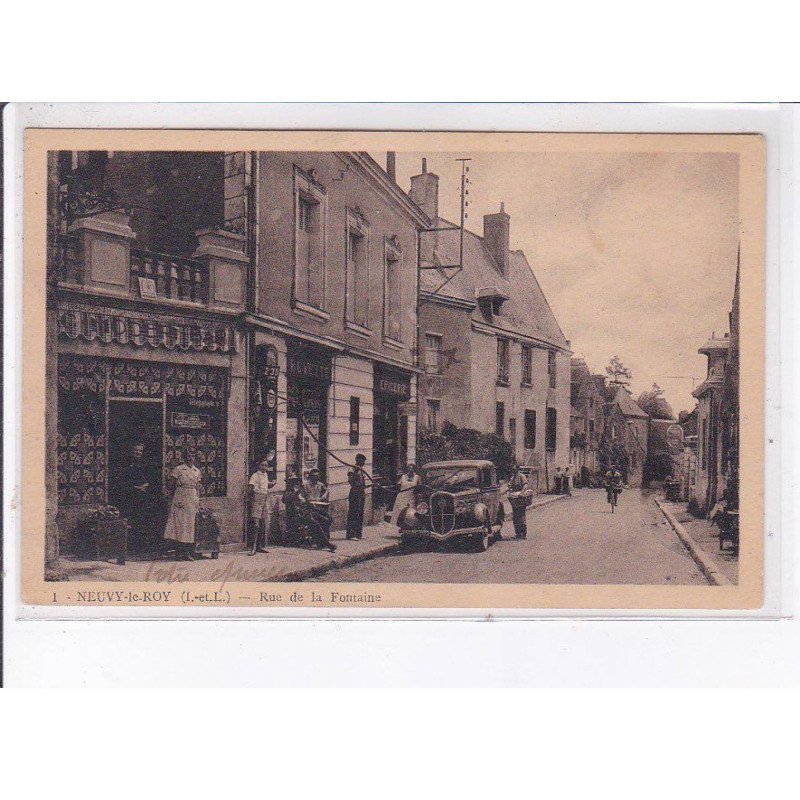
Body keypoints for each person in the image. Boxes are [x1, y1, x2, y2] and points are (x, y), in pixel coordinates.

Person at [164, 449, 202, 560]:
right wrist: (172, 497)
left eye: (193, 456)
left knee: (190, 526)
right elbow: (170, 484)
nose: (191, 458)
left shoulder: (196, 471)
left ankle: (188, 552)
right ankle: (179, 553)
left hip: (192, 498)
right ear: (184, 458)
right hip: (181, 497)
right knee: (180, 525)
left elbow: (197, 487)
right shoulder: (179, 469)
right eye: (189, 456)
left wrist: (198, 501)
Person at [118, 442, 157, 551]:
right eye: (135, 451)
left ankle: (141, 547)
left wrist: (147, 484)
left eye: (140, 451)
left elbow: (151, 478)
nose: (137, 453)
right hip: (130, 496)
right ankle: (129, 547)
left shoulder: (145, 464)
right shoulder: (126, 464)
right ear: (131, 451)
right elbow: (123, 480)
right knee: (130, 519)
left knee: (142, 520)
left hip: (143, 496)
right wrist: (134, 487)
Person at [248, 451, 276, 555]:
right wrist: (252, 500)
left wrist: (271, 484)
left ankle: (259, 546)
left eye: (266, 465)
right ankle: (253, 547)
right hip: (257, 499)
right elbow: (250, 488)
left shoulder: (265, 475)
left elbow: (265, 486)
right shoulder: (255, 475)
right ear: (259, 466)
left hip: (265, 499)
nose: (264, 467)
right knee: (256, 525)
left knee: (263, 524)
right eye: (262, 465)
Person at [304, 468, 336, 552]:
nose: (316, 478)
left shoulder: (320, 484)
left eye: (317, 476)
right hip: (310, 508)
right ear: (310, 477)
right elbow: (305, 498)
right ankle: (321, 541)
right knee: (320, 520)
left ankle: (325, 539)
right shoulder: (306, 485)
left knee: (329, 518)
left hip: (318, 507)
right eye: (314, 476)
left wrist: (324, 496)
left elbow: (327, 489)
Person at [346, 453, 368, 540]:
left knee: (360, 513)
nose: (363, 463)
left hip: (361, 493)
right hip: (355, 492)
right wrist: (356, 470)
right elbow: (350, 480)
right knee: (353, 513)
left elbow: (363, 483)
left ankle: (358, 533)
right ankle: (351, 535)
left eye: (364, 461)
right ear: (358, 460)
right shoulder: (352, 468)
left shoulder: (362, 470)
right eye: (362, 460)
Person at [507, 465, 531, 539]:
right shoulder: (513, 477)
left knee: (521, 515)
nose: (513, 470)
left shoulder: (522, 476)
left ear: (517, 469)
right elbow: (509, 486)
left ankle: (523, 533)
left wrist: (522, 492)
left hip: (520, 498)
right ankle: (517, 533)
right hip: (514, 498)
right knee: (515, 516)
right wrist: (507, 489)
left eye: (514, 469)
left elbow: (525, 485)